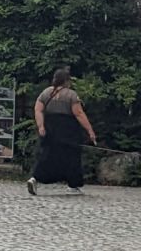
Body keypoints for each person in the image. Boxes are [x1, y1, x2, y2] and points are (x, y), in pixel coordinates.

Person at [27, 67, 98, 196]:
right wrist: (90, 130)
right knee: (71, 156)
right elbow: (79, 114)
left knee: (46, 155)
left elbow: (38, 110)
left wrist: (41, 126)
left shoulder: (46, 93)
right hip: (67, 130)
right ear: (66, 81)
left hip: (50, 127)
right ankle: (73, 184)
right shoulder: (71, 95)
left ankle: (35, 178)